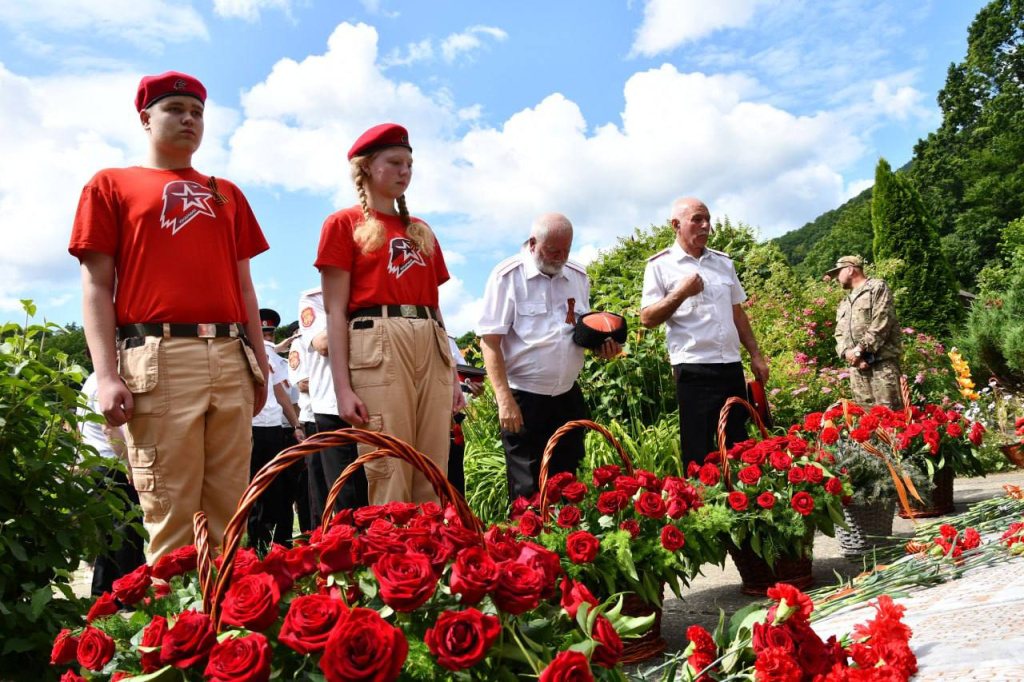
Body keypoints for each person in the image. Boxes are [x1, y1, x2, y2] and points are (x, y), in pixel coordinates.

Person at [68, 71, 270, 561]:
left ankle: (227, 629)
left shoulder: (228, 192)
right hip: (158, 357)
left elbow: (244, 285)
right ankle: (179, 633)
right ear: (145, 117)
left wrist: (259, 362)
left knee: (230, 514)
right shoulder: (111, 184)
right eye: (175, 109)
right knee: (171, 518)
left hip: (230, 353)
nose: (189, 119)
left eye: (197, 112)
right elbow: (97, 284)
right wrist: (107, 374)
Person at [316, 123, 464, 505]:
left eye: (410, 164)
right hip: (376, 339)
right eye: (395, 162)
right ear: (366, 167)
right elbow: (334, 312)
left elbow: (436, 308)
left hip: (429, 339)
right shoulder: (343, 223)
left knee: (433, 465)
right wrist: (343, 388)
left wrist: (452, 376)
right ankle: (393, 558)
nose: (405, 171)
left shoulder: (421, 230)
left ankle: (432, 559)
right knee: (389, 462)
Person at [479, 213, 621, 501]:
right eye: (553, 251)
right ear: (533, 243)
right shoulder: (507, 276)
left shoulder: (578, 276)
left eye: (566, 251)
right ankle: (529, 545)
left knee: (571, 484)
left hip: (568, 396)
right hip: (524, 399)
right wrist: (504, 400)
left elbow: (579, 331)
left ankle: (569, 545)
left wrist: (602, 346)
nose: (560, 258)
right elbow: (490, 342)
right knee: (528, 491)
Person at [640, 198, 769, 469]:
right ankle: (703, 508)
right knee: (698, 450)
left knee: (740, 446)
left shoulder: (723, 263)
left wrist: (756, 356)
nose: (706, 226)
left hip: (730, 366)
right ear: (676, 225)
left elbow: (737, 314)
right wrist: (681, 292)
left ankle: (745, 505)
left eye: (707, 219)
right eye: (697, 219)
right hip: (693, 369)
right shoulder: (659, 265)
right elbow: (648, 318)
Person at [298, 286, 367, 520]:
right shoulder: (314, 298)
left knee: (378, 485)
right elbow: (324, 344)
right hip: (333, 408)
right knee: (344, 495)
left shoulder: (372, 292)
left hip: (374, 401)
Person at [78, 367, 146, 595]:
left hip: (97, 464)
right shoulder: (104, 382)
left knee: (108, 534)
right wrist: (128, 463)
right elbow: (110, 427)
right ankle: (129, 595)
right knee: (127, 532)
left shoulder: (90, 381)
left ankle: (103, 593)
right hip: (111, 464)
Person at [248, 309, 305, 548]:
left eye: (269, 333)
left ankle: (280, 541)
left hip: (272, 427)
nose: (267, 338)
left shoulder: (270, 353)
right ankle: (256, 543)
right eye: (263, 334)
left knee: (277, 488)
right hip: (250, 426)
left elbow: (280, 391)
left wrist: (295, 424)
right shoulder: (244, 349)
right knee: (253, 489)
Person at [827, 256, 903, 409]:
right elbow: (839, 333)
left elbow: (882, 322)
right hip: (857, 370)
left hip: (882, 366)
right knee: (866, 421)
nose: (836, 278)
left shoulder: (877, 288)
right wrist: (847, 353)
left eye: (838, 273)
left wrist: (859, 351)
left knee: (891, 420)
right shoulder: (845, 302)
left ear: (850, 269)